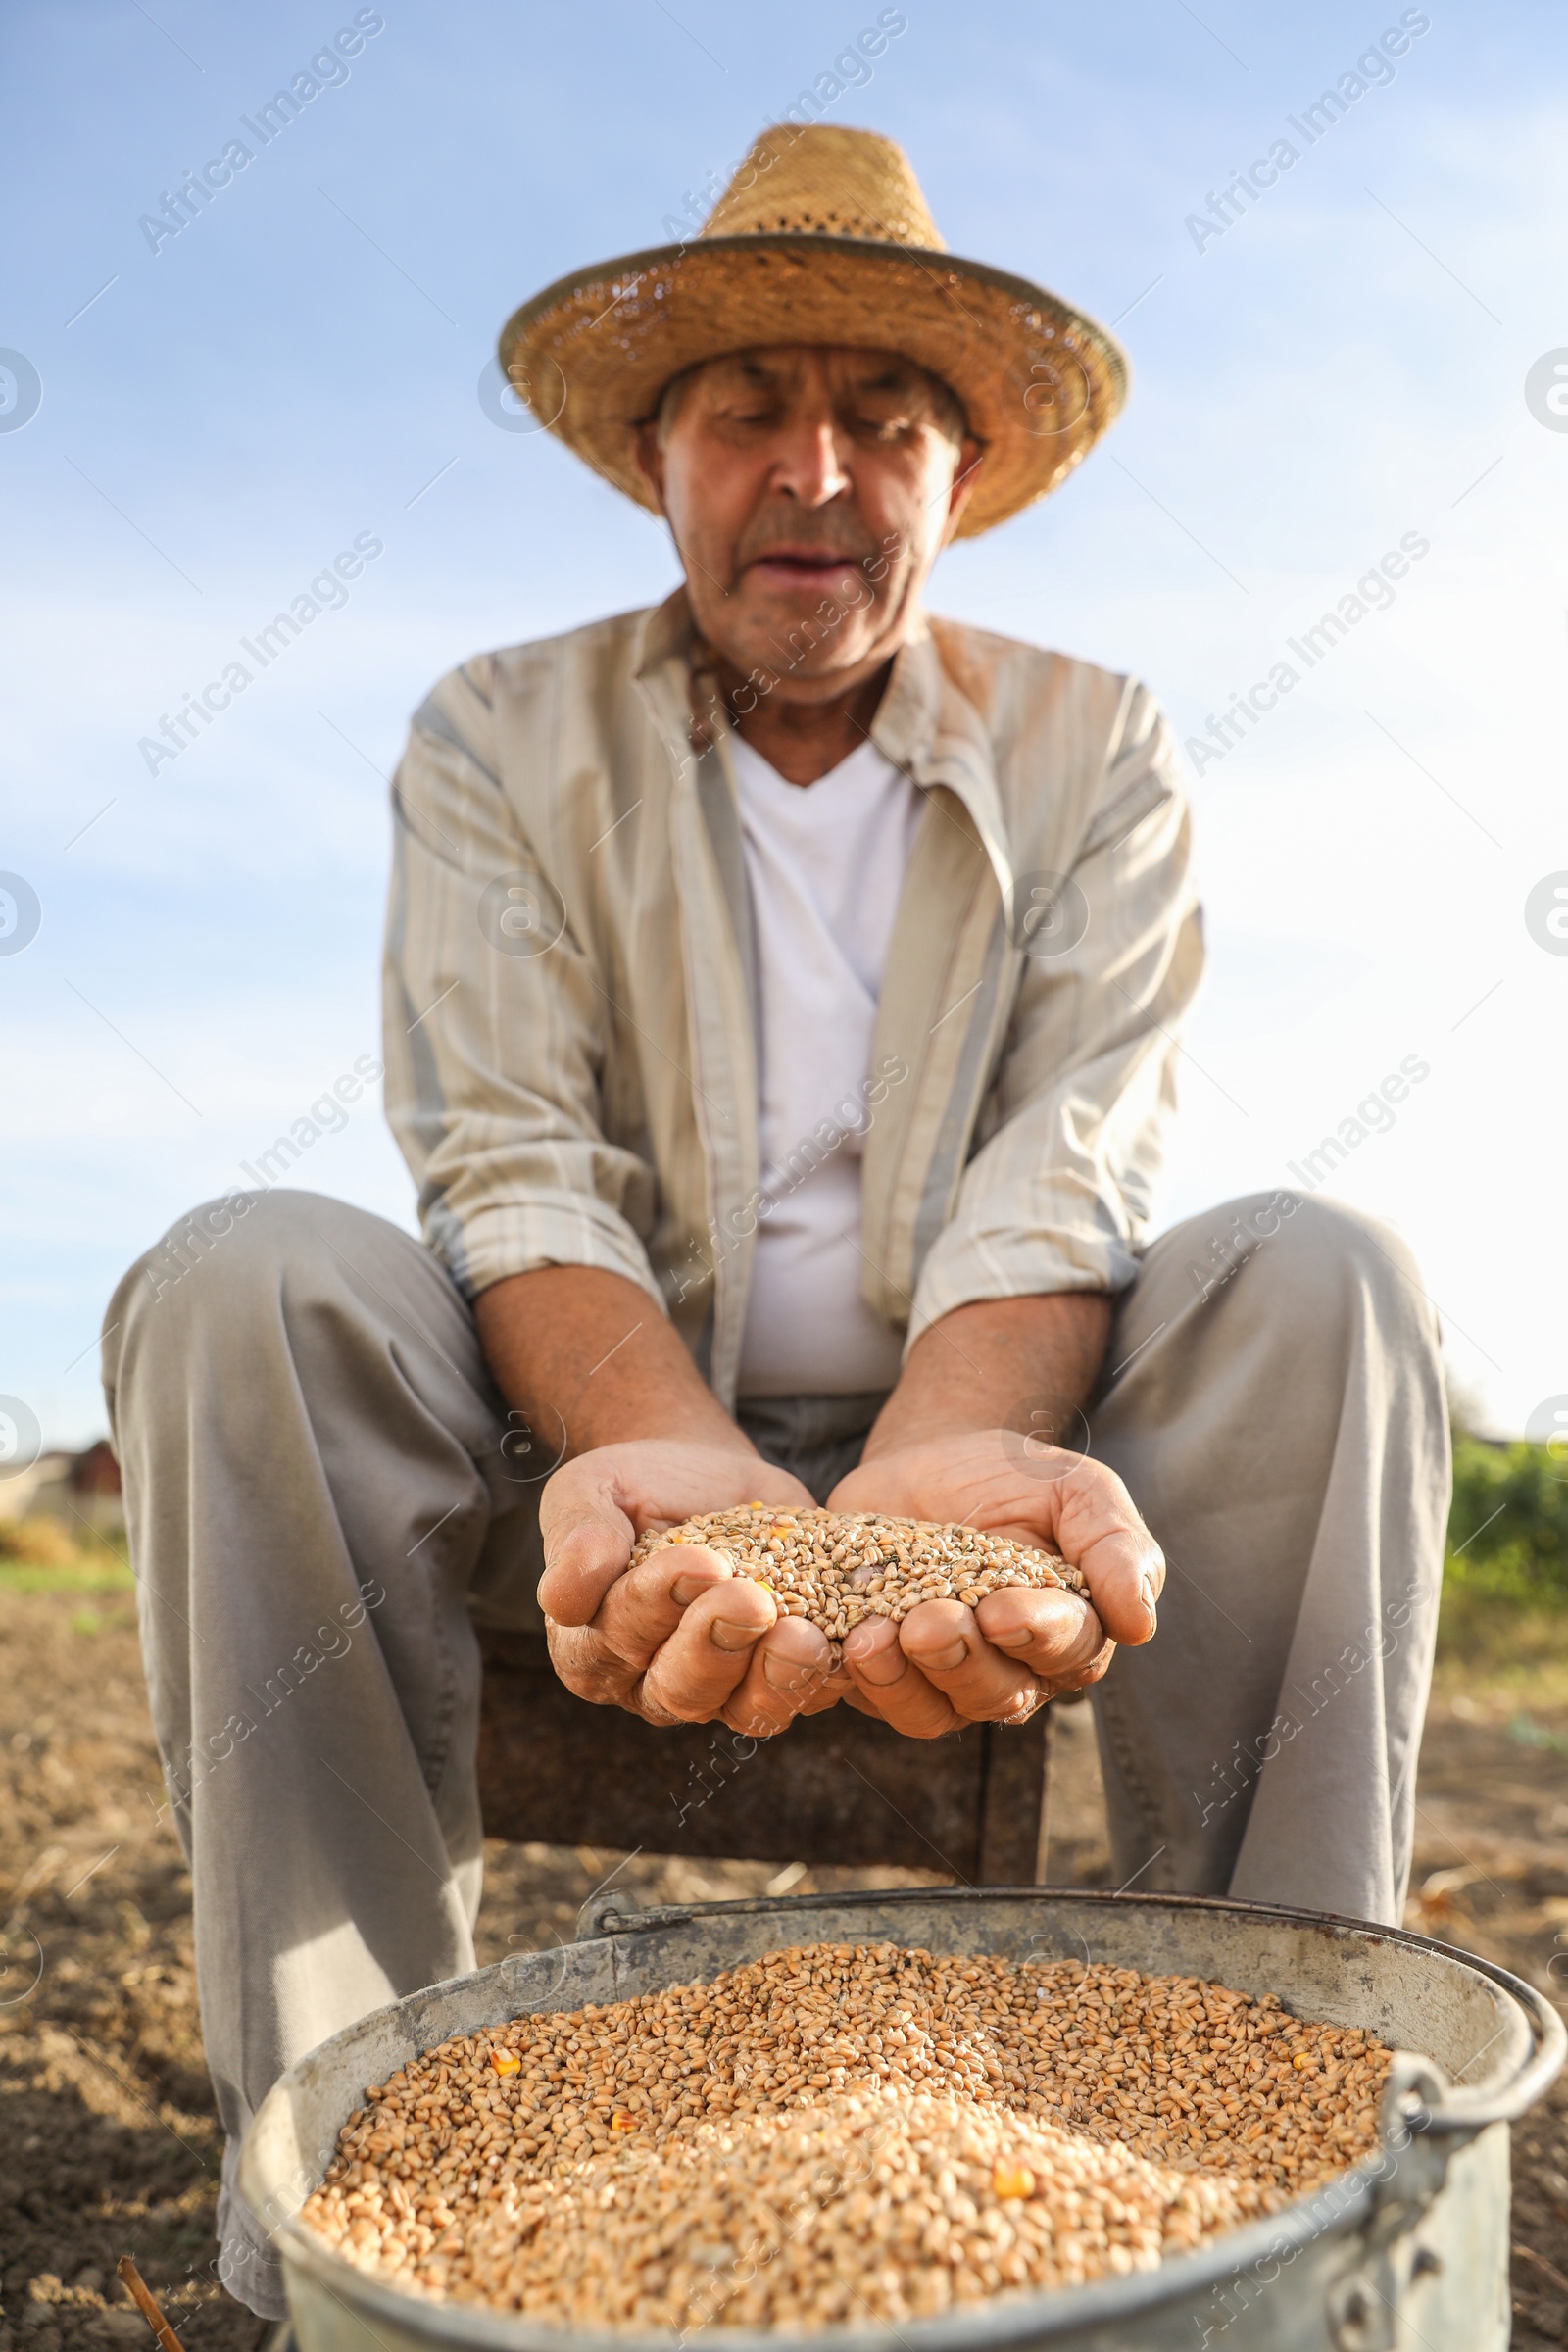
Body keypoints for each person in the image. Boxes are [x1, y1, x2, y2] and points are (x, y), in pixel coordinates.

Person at [102, 124, 1448, 2319]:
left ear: (956, 472)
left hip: (992, 1419)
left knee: (1326, 1273)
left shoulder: (1096, 750)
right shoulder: (495, 738)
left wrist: (920, 1474)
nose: (810, 468)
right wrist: (692, 1474)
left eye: (882, 416)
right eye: (746, 409)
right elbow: (507, 1160)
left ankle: (1291, 2144)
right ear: (658, 454)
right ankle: (345, 2193)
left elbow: (1074, 1162)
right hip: (595, 1441)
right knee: (243, 1275)